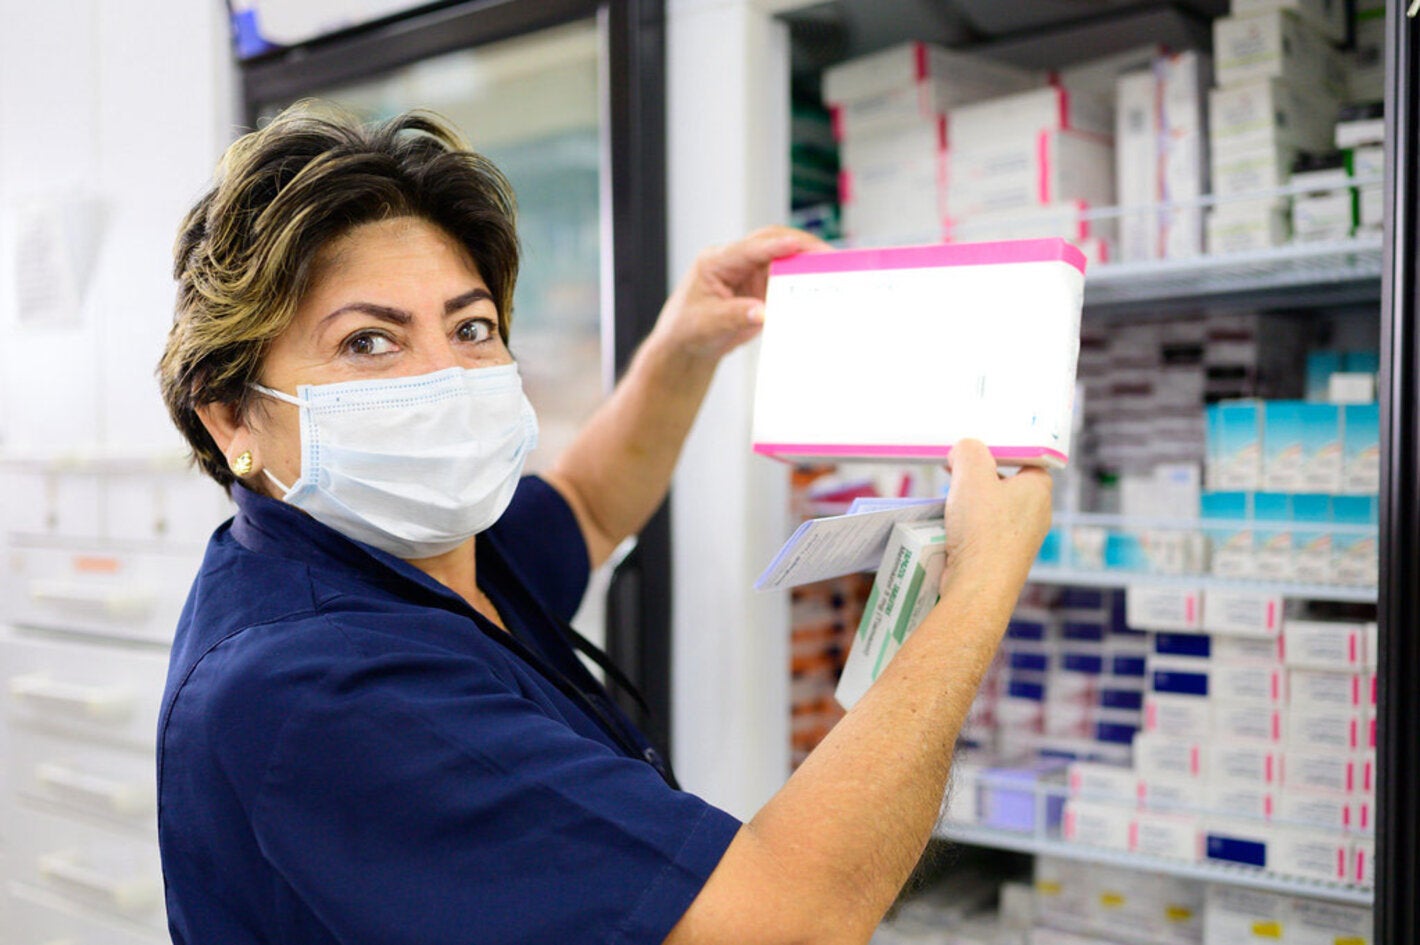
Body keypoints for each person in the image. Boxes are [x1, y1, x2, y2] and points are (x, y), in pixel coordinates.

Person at [156, 102, 1052, 945]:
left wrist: (686, 344)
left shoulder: (415, 550)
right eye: (369, 341)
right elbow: (787, 919)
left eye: (471, 328)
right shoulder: (314, 688)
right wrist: (975, 589)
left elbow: (586, 500)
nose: (447, 379)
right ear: (229, 414)